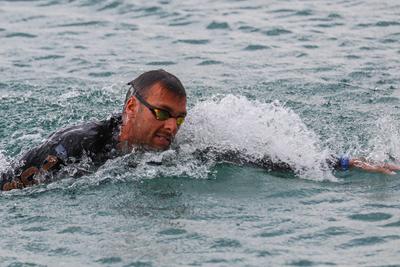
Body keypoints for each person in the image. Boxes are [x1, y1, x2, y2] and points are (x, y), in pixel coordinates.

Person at [0, 70, 398, 191]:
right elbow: (12, 189)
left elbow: (255, 157)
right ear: (131, 107)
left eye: (179, 117)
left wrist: (345, 162)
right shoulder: (76, 147)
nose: (172, 126)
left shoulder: (187, 143)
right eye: (161, 113)